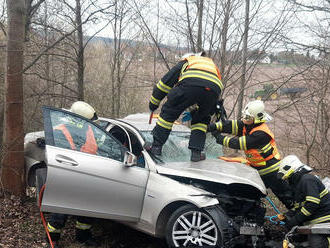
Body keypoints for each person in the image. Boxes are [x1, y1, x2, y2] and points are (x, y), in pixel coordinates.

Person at [208, 100, 293, 208]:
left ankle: (297, 216)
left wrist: (219, 138)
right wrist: (213, 126)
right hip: (257, 169)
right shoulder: (248, 125)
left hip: (271, 171)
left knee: (285, 196)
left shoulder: (261, 133)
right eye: (244, 116)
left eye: (247, 118)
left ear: (257, 119)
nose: (244, 119)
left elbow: (238, 143)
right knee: (250, 194)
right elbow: (230, 125)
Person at [148, 51, 224, 162]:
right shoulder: (211, 65)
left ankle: (156, 147)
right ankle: (196, 153)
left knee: (169, 112)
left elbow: (164, 84)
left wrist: (153, 104)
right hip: (214, 89)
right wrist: (198, 111)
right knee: (202, 119)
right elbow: (205, 90)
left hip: (190, 83)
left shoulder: (187, 61)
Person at [47, 101, 100, 248]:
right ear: (78, 119)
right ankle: (53, 238)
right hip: (67, 175)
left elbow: (98, 147)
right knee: (61, 210)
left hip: (87, 176)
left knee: (86, 209)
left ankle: (82, 236)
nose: (89, 124)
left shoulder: (89, 130)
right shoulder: (59, 131)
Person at [278, 155, 330, 248]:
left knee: (317, 244)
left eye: (287, 178)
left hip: (323, 222)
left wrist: (295, 220)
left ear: (292, 171)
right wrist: (289, 214)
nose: (287, 180)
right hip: (313, 224)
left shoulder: (307, 179)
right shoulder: (301, 183)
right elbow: (301, 205)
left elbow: (312, 204)